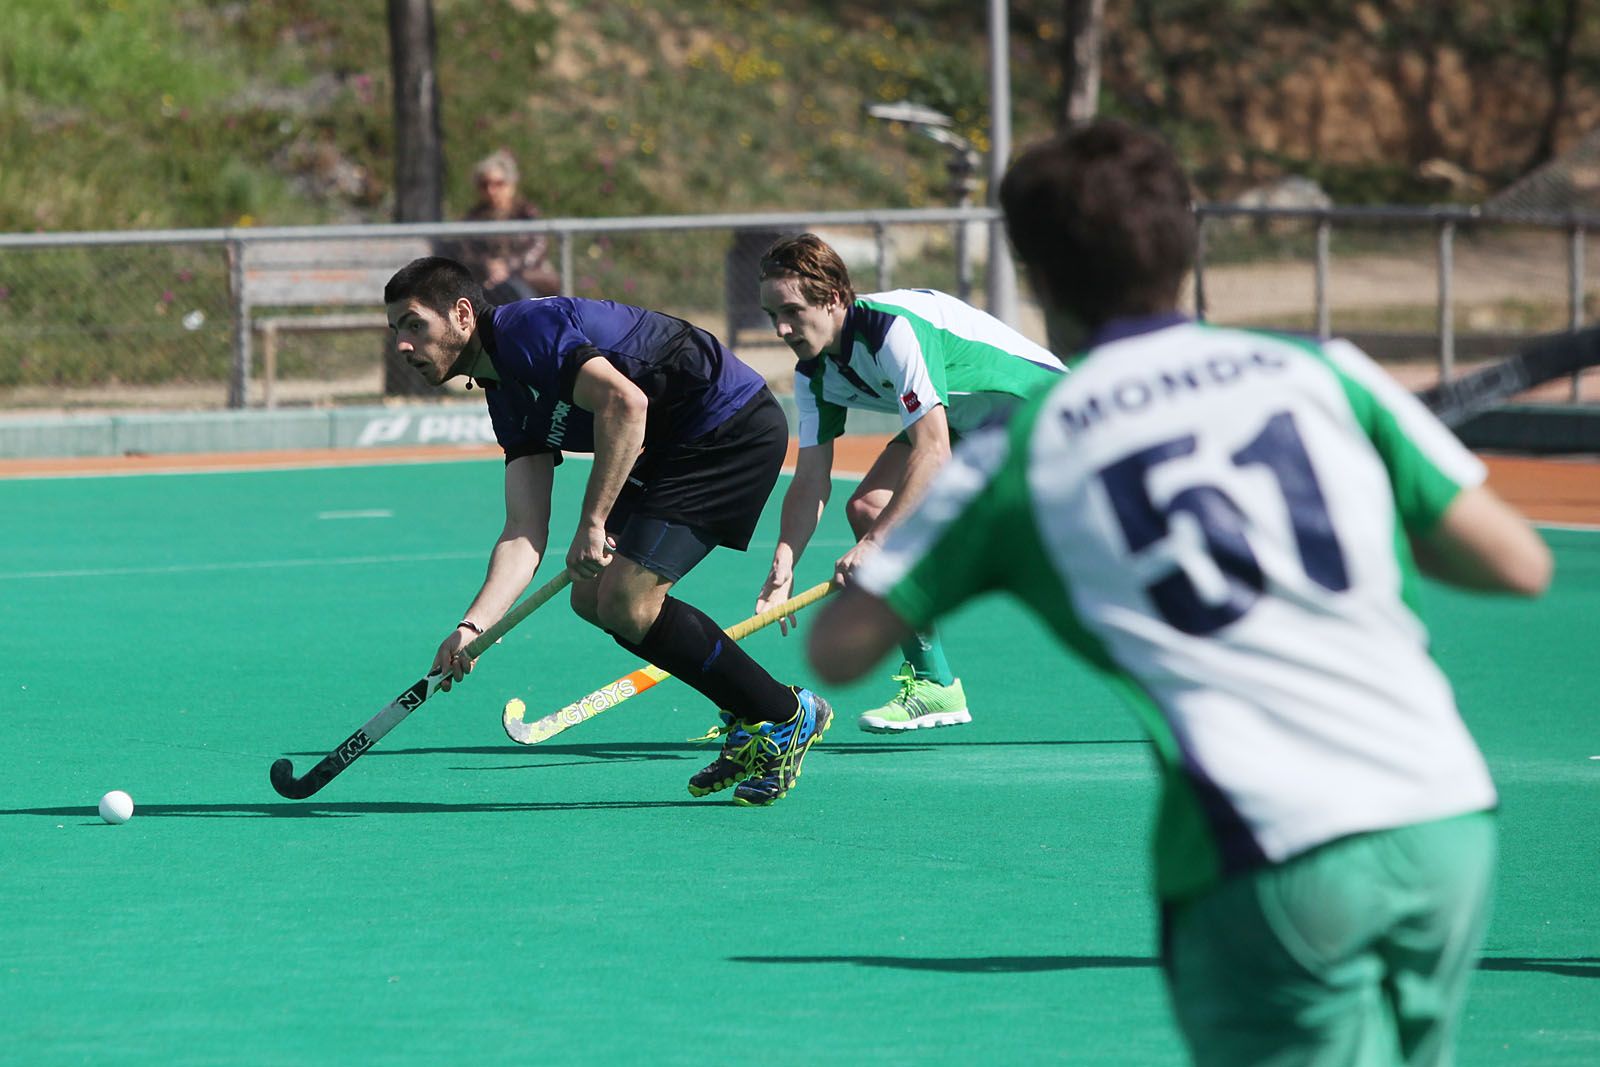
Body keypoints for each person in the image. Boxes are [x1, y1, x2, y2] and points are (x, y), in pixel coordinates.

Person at [806, 120, 1553, 1065]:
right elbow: (1517, 563)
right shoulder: (1323, 371)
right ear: (1188, 245)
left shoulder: (1026, 450)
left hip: (1268, 853)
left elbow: (839, 649)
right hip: (1446, 815)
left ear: (1038, 277)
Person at [382, 255, 830, 806]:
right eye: (396, 330)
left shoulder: (526, 330)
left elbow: (625, 402)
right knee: (592, 597)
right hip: (668, 445)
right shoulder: (505, 394)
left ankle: (784, 714)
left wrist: (593, 522)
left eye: (414, 324)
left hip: (727, 425)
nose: (403, 344)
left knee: (626, 601)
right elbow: (523, 529)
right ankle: (751, 712)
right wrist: (472, 628)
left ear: (462, 314)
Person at [754, 233, 1064, 733]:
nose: (781, 328)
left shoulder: (891, 331)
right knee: (869, 507)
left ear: (833, 298)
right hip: (967, 422)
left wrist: (877, 543)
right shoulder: (814, 374)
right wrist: (784, 562)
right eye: (772, 315)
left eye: (791, 311)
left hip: (1042, 414)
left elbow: (933, 451)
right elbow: (810, 478)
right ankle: (935, 684)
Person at [450, 150, 560, 304]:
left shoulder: (526, 214)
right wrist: (488, 265)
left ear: (511, 185)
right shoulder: (473, 218)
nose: (491, 190)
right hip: (488, 281)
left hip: (526, 278)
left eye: (498, 183)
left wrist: (507, 266)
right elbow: (466, 252)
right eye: (485, 185)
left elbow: (537, 247)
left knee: (519, 295)